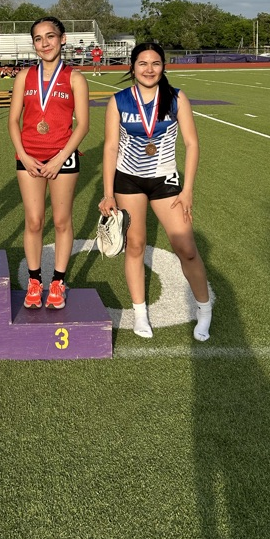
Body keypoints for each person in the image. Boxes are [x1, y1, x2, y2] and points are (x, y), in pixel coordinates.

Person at [100, 41, 212, 341]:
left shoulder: (176, 98)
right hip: (129, 181)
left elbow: (192, 144)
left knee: (186, 248)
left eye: (155, 63)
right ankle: (140, 313)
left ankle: (204, 309)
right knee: (135, 246)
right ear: (133, 67)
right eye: (142, 63)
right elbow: (111, 147)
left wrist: (187, 190)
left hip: (166, 181)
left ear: (164, 67)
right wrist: (108, 192)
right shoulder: (119, 100)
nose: (149, 69)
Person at [9, 17, 89, 310]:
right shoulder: (24, 77)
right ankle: (34, 281)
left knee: (61, 221)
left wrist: (60, 158)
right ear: (34, 45)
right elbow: (12, 121)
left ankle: (57, 281)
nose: (45, 43)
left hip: (62, 158)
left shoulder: (75, 78)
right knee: (33, 221)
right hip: (28, 157)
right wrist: (24, 155)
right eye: (39, 39)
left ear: (63, 39)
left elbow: (82, 126)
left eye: (50, 36)